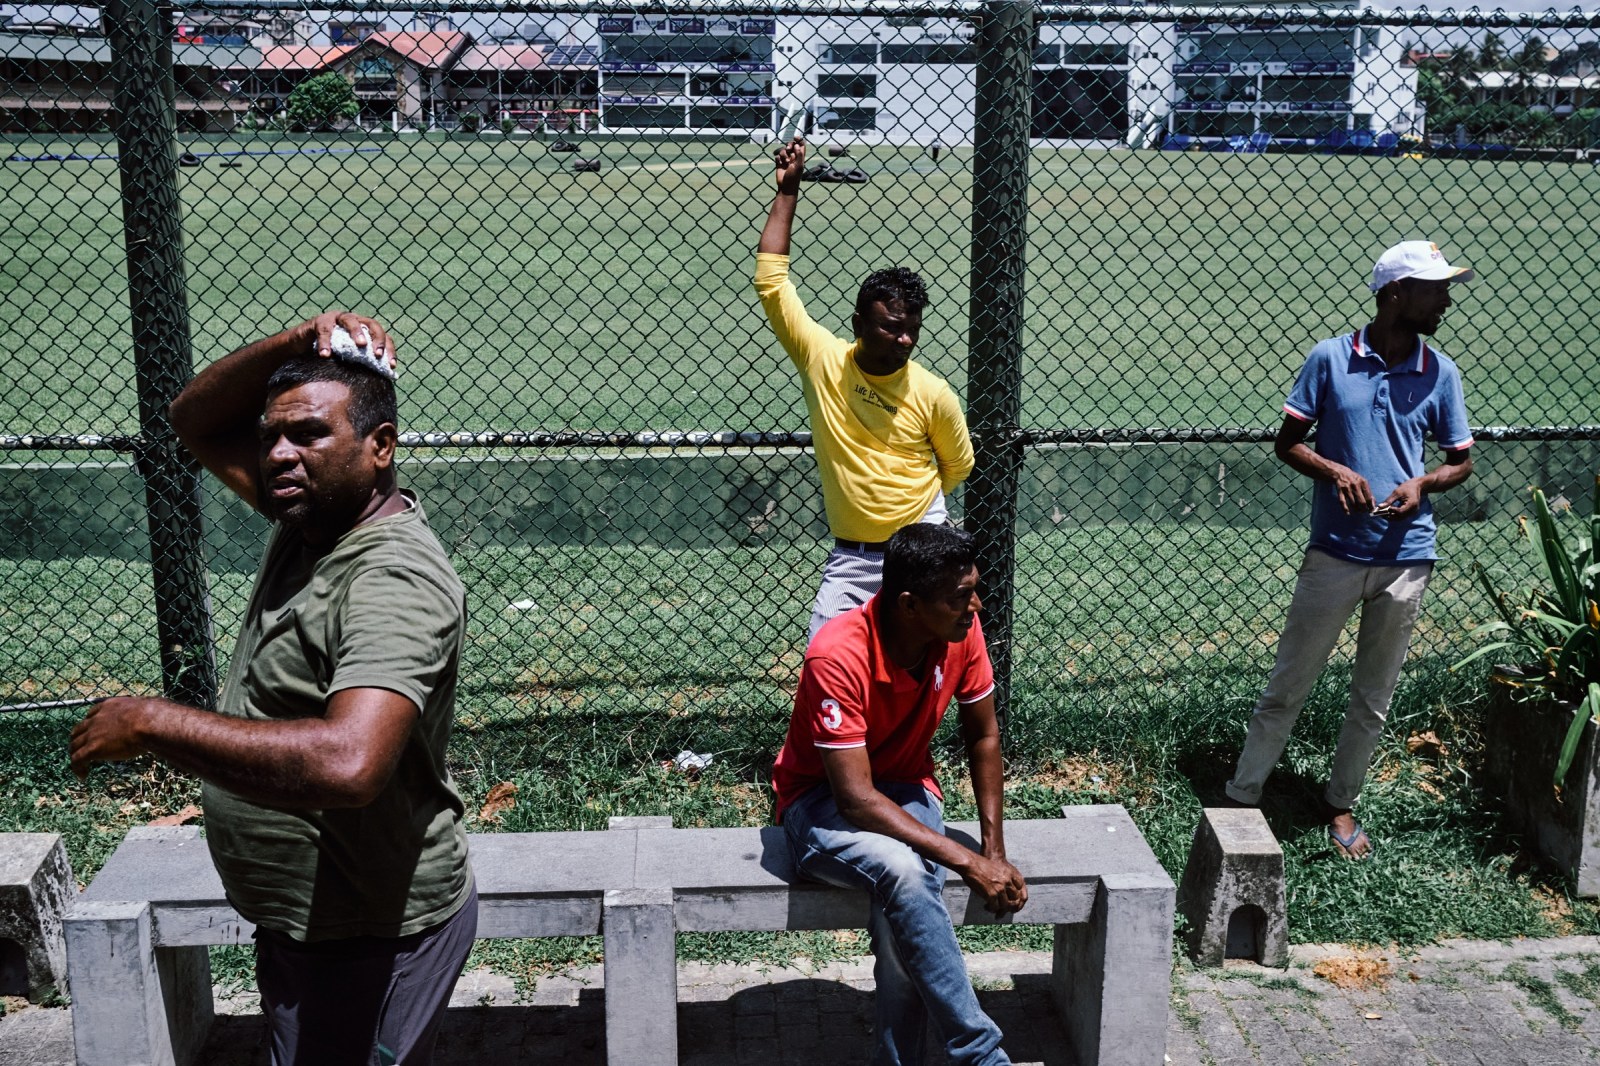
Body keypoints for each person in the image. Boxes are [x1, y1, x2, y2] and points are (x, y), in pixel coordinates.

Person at [70, 312, 476, 1065]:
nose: (281, 453)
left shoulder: (392, 578)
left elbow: (348, 766)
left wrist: (157, 724)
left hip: (370, 933)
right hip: (309, 921)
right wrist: (295, 344)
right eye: (271, 435)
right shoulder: (311, 516)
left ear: (379, 448)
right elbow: (191, 416)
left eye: (310, 434)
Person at [1224, 240, 1477, 859]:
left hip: (1408, 556)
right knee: (1290, 681)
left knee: (1373, 696)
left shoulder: (1439, 371)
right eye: (1435, 288)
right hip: (1335, 554)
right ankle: (1239, 796)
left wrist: (1423, 482)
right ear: (1396, 293)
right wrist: (1335, 470)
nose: (1446, 299)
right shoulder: (1331, 359)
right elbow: (1288, 443)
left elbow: (1460, 461)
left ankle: (1340, 803)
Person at [773, 523, 1026, 1065]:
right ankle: (980, 1053)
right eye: (961, 597)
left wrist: (994, 852)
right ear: (910, 606)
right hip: (817, 805)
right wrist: (966, 860)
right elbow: (856, 799)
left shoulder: (961, 632)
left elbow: (983, 735)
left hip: (908, 788)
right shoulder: (836, 653)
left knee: (901, 918)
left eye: (975, 590)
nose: (976, 606)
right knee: (906, 872)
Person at [755, 137, 975, 641]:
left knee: (926, 673)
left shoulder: (931, 391)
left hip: (925, 552)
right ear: (858, 322)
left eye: (911, 329)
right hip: (854, 555)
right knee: (824, 664)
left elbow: (957, 466)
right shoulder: (822, 358)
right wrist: (788, 192)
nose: (904, 339)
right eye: (891, 327)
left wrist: (910, 503)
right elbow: (772, 283)